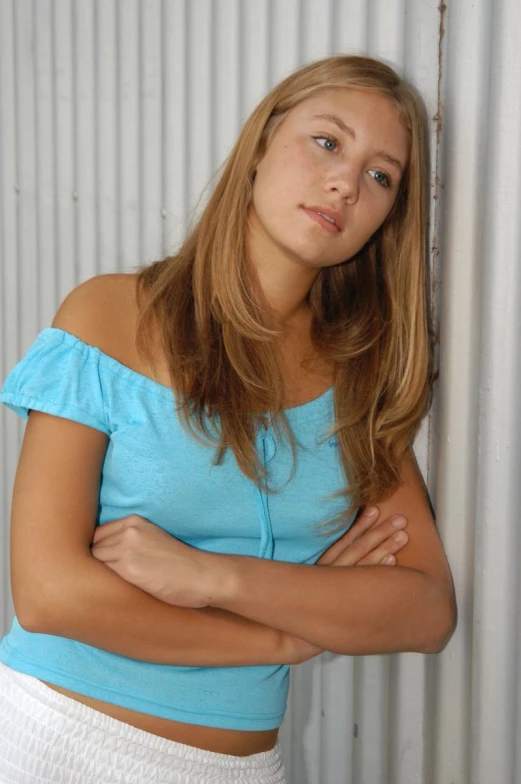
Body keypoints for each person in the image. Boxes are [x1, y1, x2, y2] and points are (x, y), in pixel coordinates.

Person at [0, 54, 456, 783]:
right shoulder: (110, 315)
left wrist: (216, 577)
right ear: (258, 150)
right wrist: (284, 637)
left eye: (380, 176)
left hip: (239, 767)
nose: (344, 182)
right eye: (327, 142)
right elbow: (50, 594)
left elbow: (424, 609)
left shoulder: (357, 378)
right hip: (54, 738)